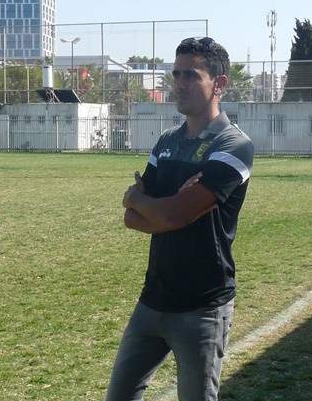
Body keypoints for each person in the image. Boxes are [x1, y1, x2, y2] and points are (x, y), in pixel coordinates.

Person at [106, 37, 254, 401]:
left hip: (202, 308)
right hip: (152, 300)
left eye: (191, 75)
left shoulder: (233, 145)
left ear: (219, 83)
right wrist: (159, 208)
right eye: (176, 74)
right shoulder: (167, 142)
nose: (179, 84)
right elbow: (132, 218)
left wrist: (145, 200)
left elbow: (168, 213)